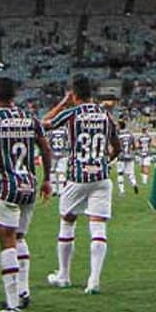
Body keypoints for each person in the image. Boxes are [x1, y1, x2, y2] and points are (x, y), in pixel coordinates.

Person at [0, 77, 52, 312]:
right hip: (28, 186)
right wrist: (47, 179)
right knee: (19, 237)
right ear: (14, 96)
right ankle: (24, 290)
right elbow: (46, 149)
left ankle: (12, 303)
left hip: (6, 186)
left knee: (6, 241)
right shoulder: (30, 118)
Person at [43, 74, 120, 295]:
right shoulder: (105, 114)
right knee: (98, 226)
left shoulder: (72, 113)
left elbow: (43, 125)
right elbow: (117, 146)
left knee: (67, 222)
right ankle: (94, 280)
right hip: (101, 177)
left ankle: (64, 275)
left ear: (74, 94)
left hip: (77, 177)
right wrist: (106, 161)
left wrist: (61, 104)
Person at [115, 121, 139, 195]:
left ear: (120, 126)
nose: (116, 127)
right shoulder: (130, 134)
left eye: (117, 125)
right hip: (129, 155)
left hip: (121, 156)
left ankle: (122, 191)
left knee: (120, 173)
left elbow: (115, 146)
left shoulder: (117, 135)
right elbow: (134, 146)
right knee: (131, 173)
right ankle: (134, 183)